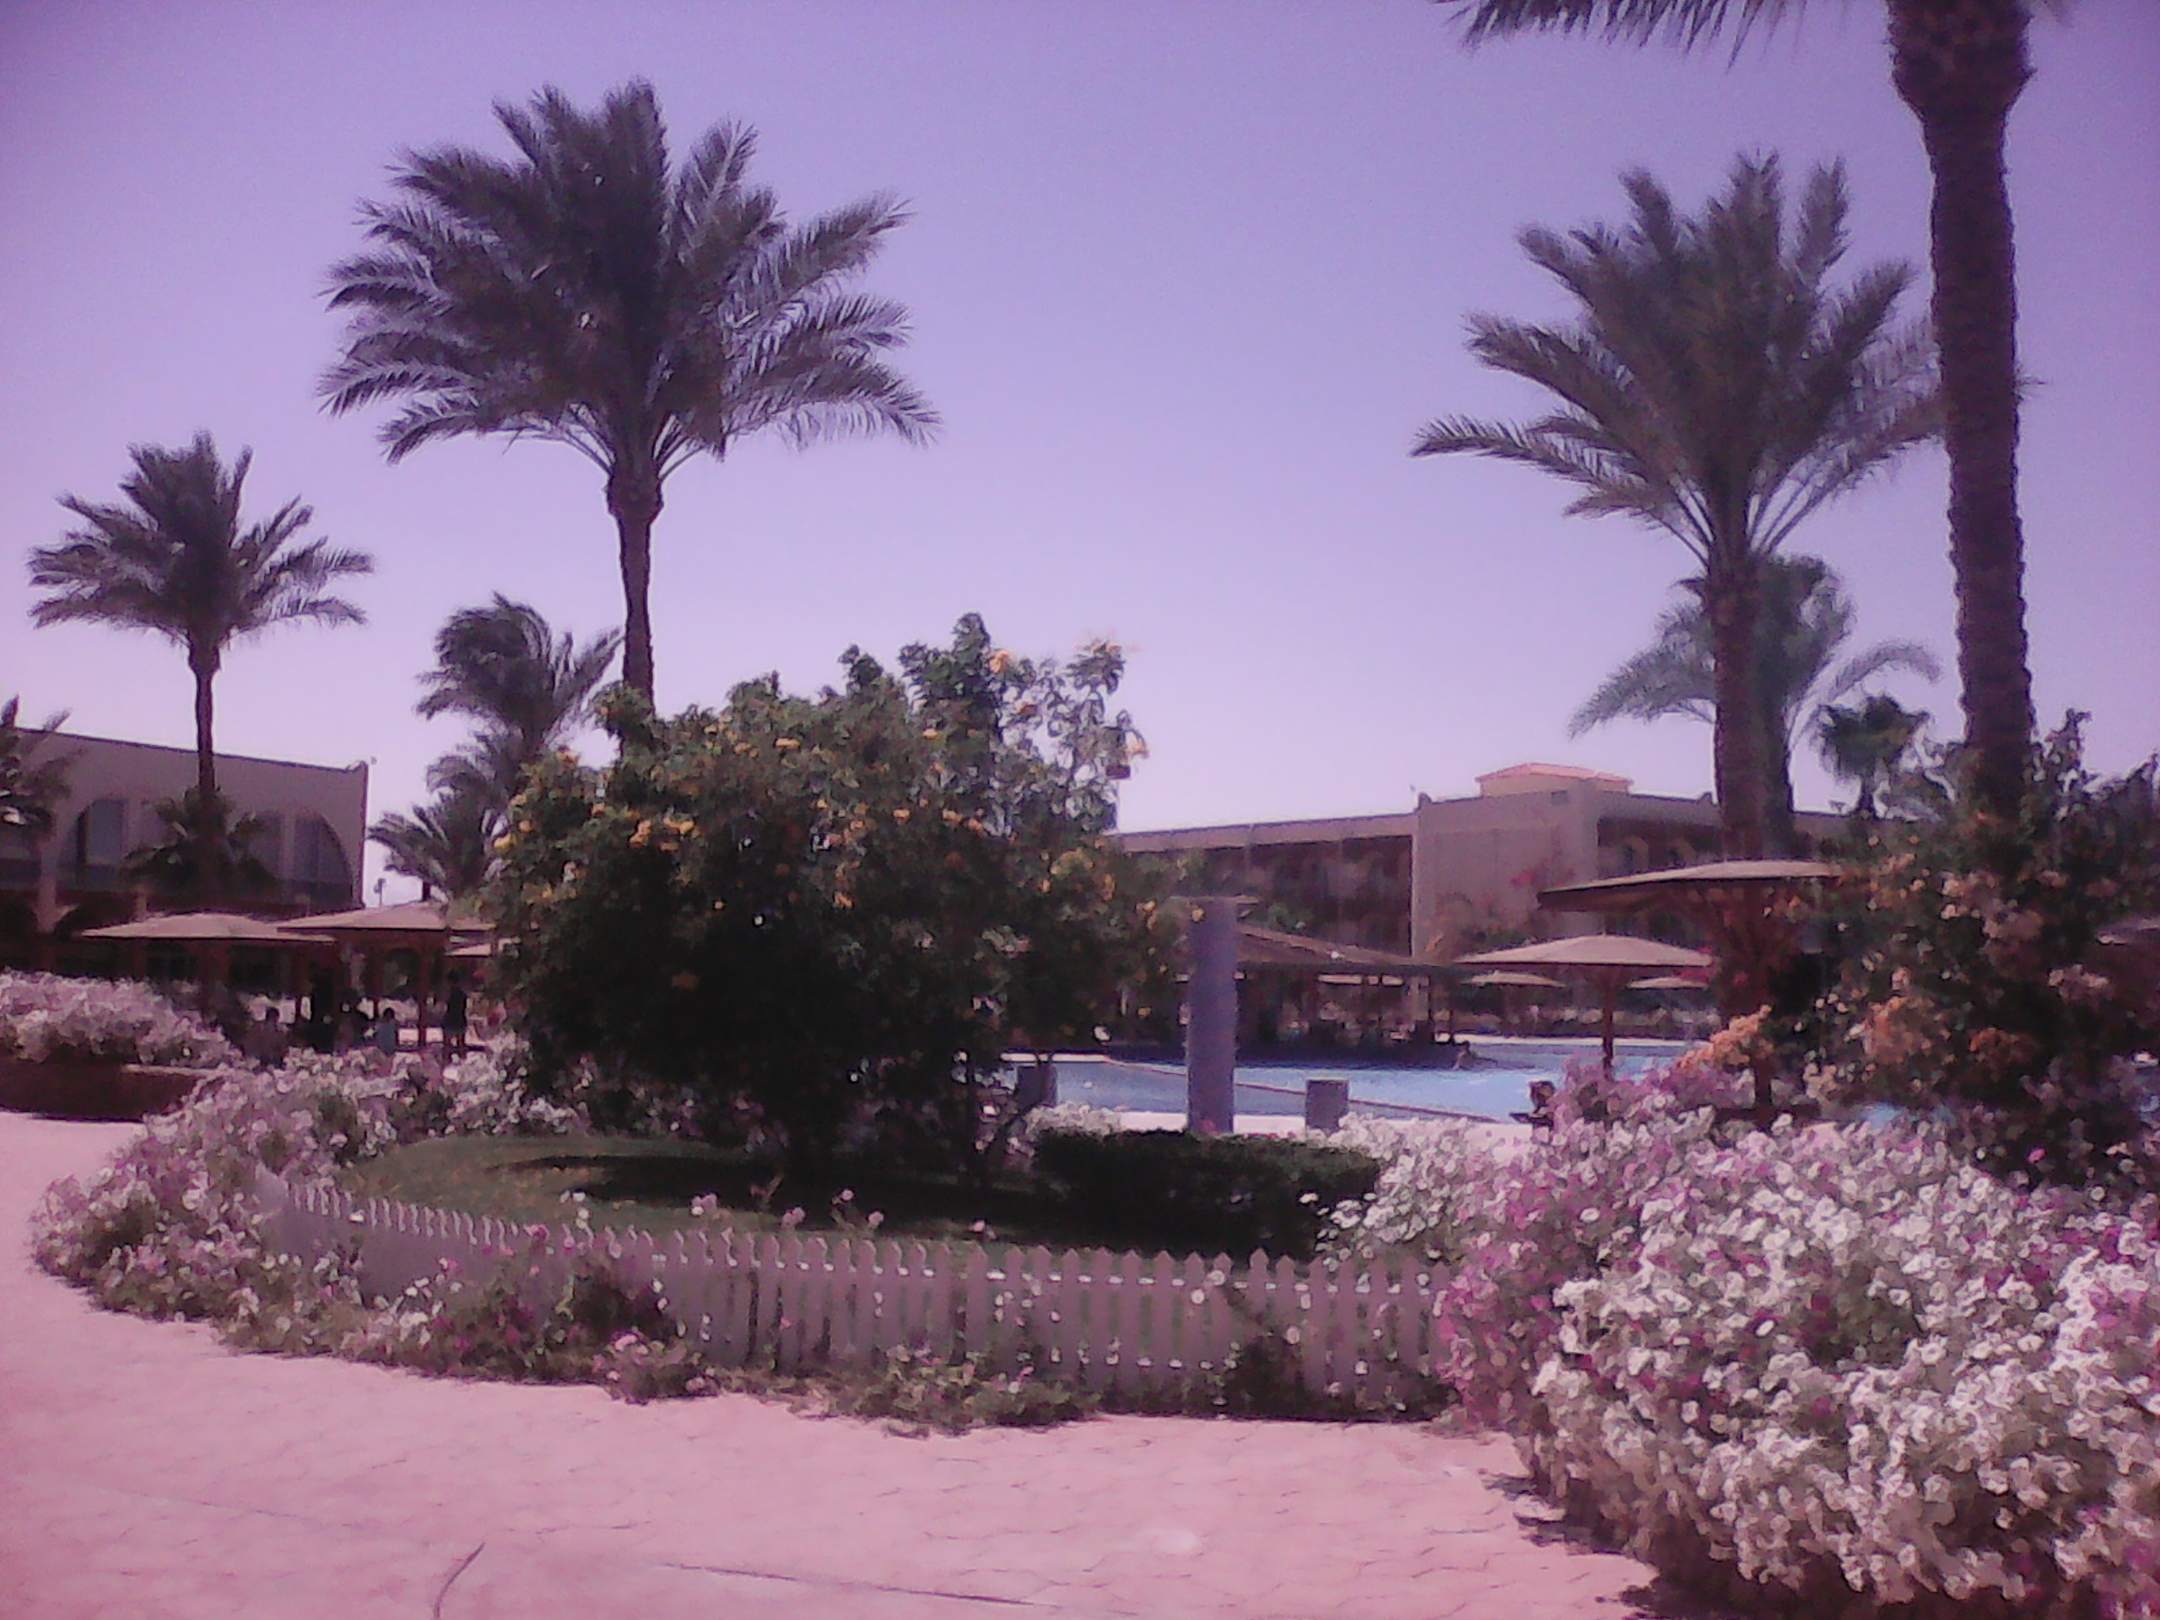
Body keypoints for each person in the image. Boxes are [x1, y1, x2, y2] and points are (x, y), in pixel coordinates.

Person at [442, 972, 470, 1058]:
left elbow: (444, 1006)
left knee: (447, 1043)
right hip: (461, 1021)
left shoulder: (449, 994)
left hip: (450, 1021)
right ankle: (462, 1058)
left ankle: (446, 1058)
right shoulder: (463, 994)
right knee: (461, 1042)